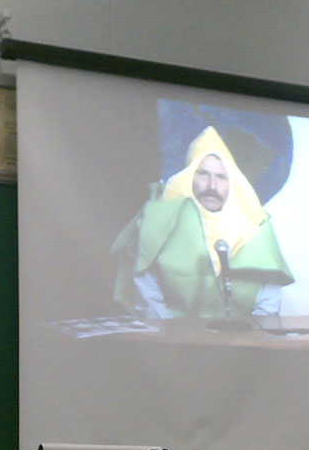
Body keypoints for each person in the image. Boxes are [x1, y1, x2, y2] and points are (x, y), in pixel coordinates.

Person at [111, 125, 294, 321]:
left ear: (232, 183)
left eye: (221, 177)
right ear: (189, 178)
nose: (212, 185)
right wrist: (177, 335)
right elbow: (148, 296)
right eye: (203, 174)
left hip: (244, 336)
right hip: (176, 336)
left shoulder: (257, 228)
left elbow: (269, 300)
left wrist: (249, 336)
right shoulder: (159, 223)